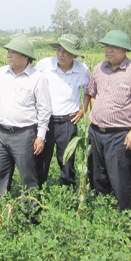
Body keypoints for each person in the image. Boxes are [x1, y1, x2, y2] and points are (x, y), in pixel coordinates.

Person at [87, 30, 131, 211]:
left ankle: (123, 216)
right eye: (107, 46)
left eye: (113, 47)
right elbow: (93, 94)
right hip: (97, 133)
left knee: (120, 178)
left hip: (119, 135)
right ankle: (101, 213)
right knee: (98, 177)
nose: (109, 50)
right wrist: (95, 117)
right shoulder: (99, 68)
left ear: (124, 50)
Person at [0, 36, 51, 197]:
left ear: (25, 56)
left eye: (14, 52)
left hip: (24, 135)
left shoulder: (37, 78)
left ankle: (30, 212)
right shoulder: (1, 73)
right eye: (9, 51)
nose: (9, 55)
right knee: (0, 174)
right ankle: (1, 207)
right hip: (1, 133)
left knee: (28, 176)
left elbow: (44, 110)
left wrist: (40, 136)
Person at [35, 34, 90, 189]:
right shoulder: (44, 65)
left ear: (74, 55)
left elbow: (88, 90)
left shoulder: (82, 70)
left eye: (65, 51)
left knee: (66, 161)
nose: (60, 54)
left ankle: (67, 193)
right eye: (59, 50)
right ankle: (37, 192)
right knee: (41, 159)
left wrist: (83, 109)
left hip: (67, 122)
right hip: (45, 121)